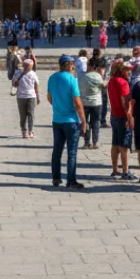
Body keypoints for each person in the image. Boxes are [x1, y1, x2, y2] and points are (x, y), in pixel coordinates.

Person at [47, 55, 87, 188]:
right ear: (69, 65)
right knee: (72, 152)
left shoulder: (52, 78)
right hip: (71, 120)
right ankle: (71, 180)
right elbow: (77, 102)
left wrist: (58, 106)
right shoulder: (71, 79)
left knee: (57, 150)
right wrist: (84, 121)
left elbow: (49, 97)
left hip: (57, 119)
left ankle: (56, 178)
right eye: (73, 64)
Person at [107, 59, 134, 180]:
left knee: (115, 143)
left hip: (114, 115)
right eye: (127, 70)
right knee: (124, 145)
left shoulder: (111, 81)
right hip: (123, 117)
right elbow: (126, 103)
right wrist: (129, 118)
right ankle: (125, 171)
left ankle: (115, 169)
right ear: (122, 71)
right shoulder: (123, 83)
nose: (129, 73)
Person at [78, 59, 104, 149]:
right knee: (96, 122)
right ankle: (95, 142)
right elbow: (102, 86)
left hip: (85, 102)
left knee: (86, 122)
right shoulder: (98, 76)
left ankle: (86, 142)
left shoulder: (83, 76)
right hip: (96, 102)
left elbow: (80, 88)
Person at [15, 56, 40, 138]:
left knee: (31, 114)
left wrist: (38, 96)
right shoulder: (18, 73)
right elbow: (14, 85)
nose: (28, 68)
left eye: (29, 67)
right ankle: (24, 131)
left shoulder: (33, 74)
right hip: (21, 97)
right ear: (23, 66)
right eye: (26, 66)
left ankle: (30, 131)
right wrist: (20, 76)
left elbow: (36, 85)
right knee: (22, 115)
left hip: (31, 96)